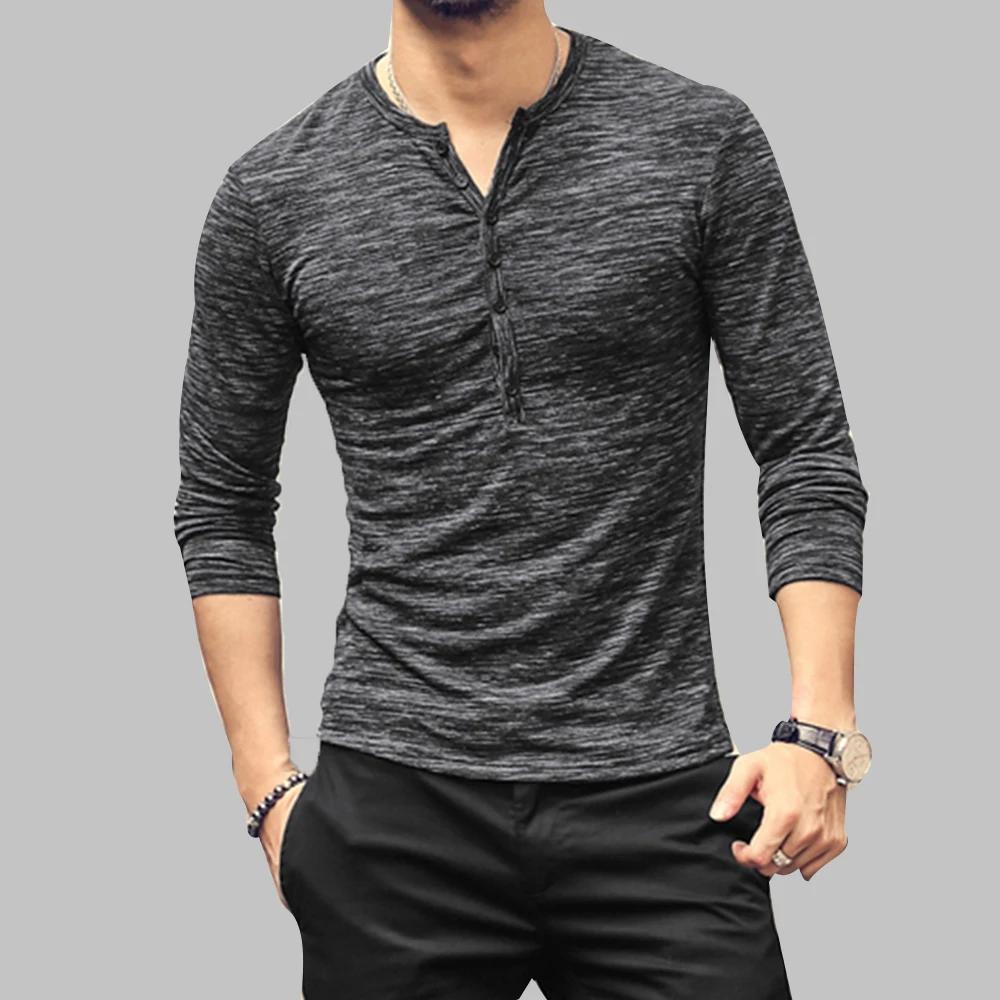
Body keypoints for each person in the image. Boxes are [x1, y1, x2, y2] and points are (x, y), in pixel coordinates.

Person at [173, 1, 872, 996]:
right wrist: (267, 789)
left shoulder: (698, 141)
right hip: (392, 807)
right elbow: (224, 504)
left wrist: (820, 733)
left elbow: (804, 450)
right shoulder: (272, 192)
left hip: (664, 793)